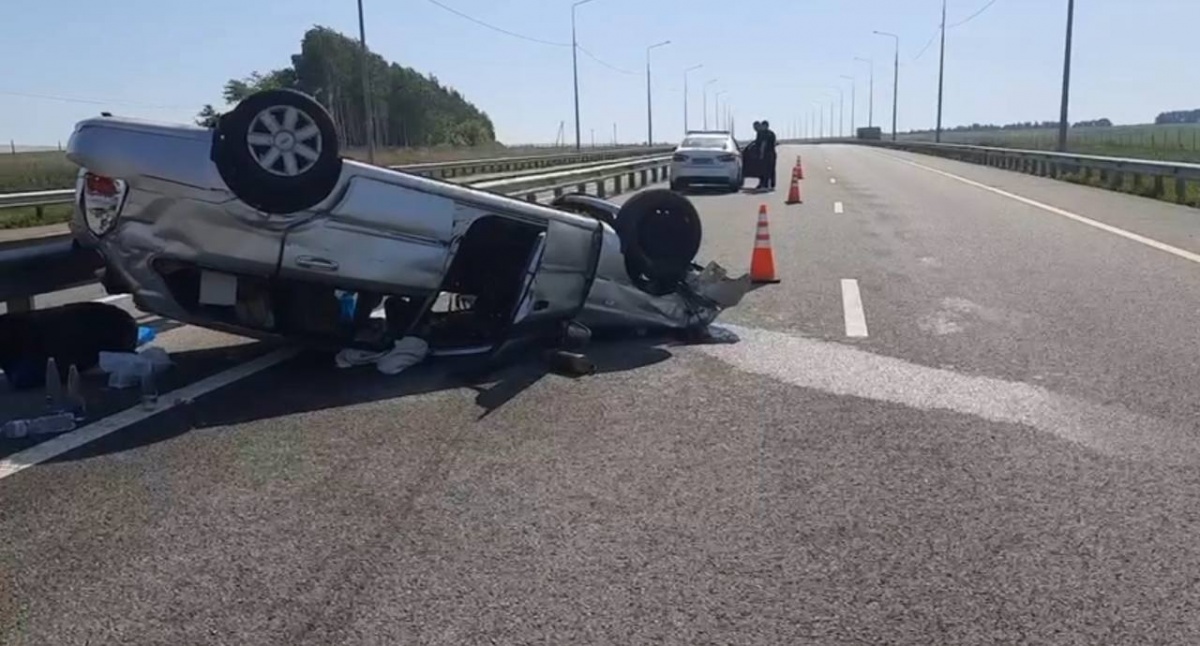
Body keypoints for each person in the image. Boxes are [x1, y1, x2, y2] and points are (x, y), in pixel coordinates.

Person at [760, 119, 778, 190]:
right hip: (773, 152)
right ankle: (772, 185)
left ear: (765, 126)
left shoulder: (765, 134)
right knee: (772, 169)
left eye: (763, 126)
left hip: (767, 153)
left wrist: (761, 154)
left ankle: (766, 185)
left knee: (766, 169)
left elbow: (763, 144)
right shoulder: (772, 133)